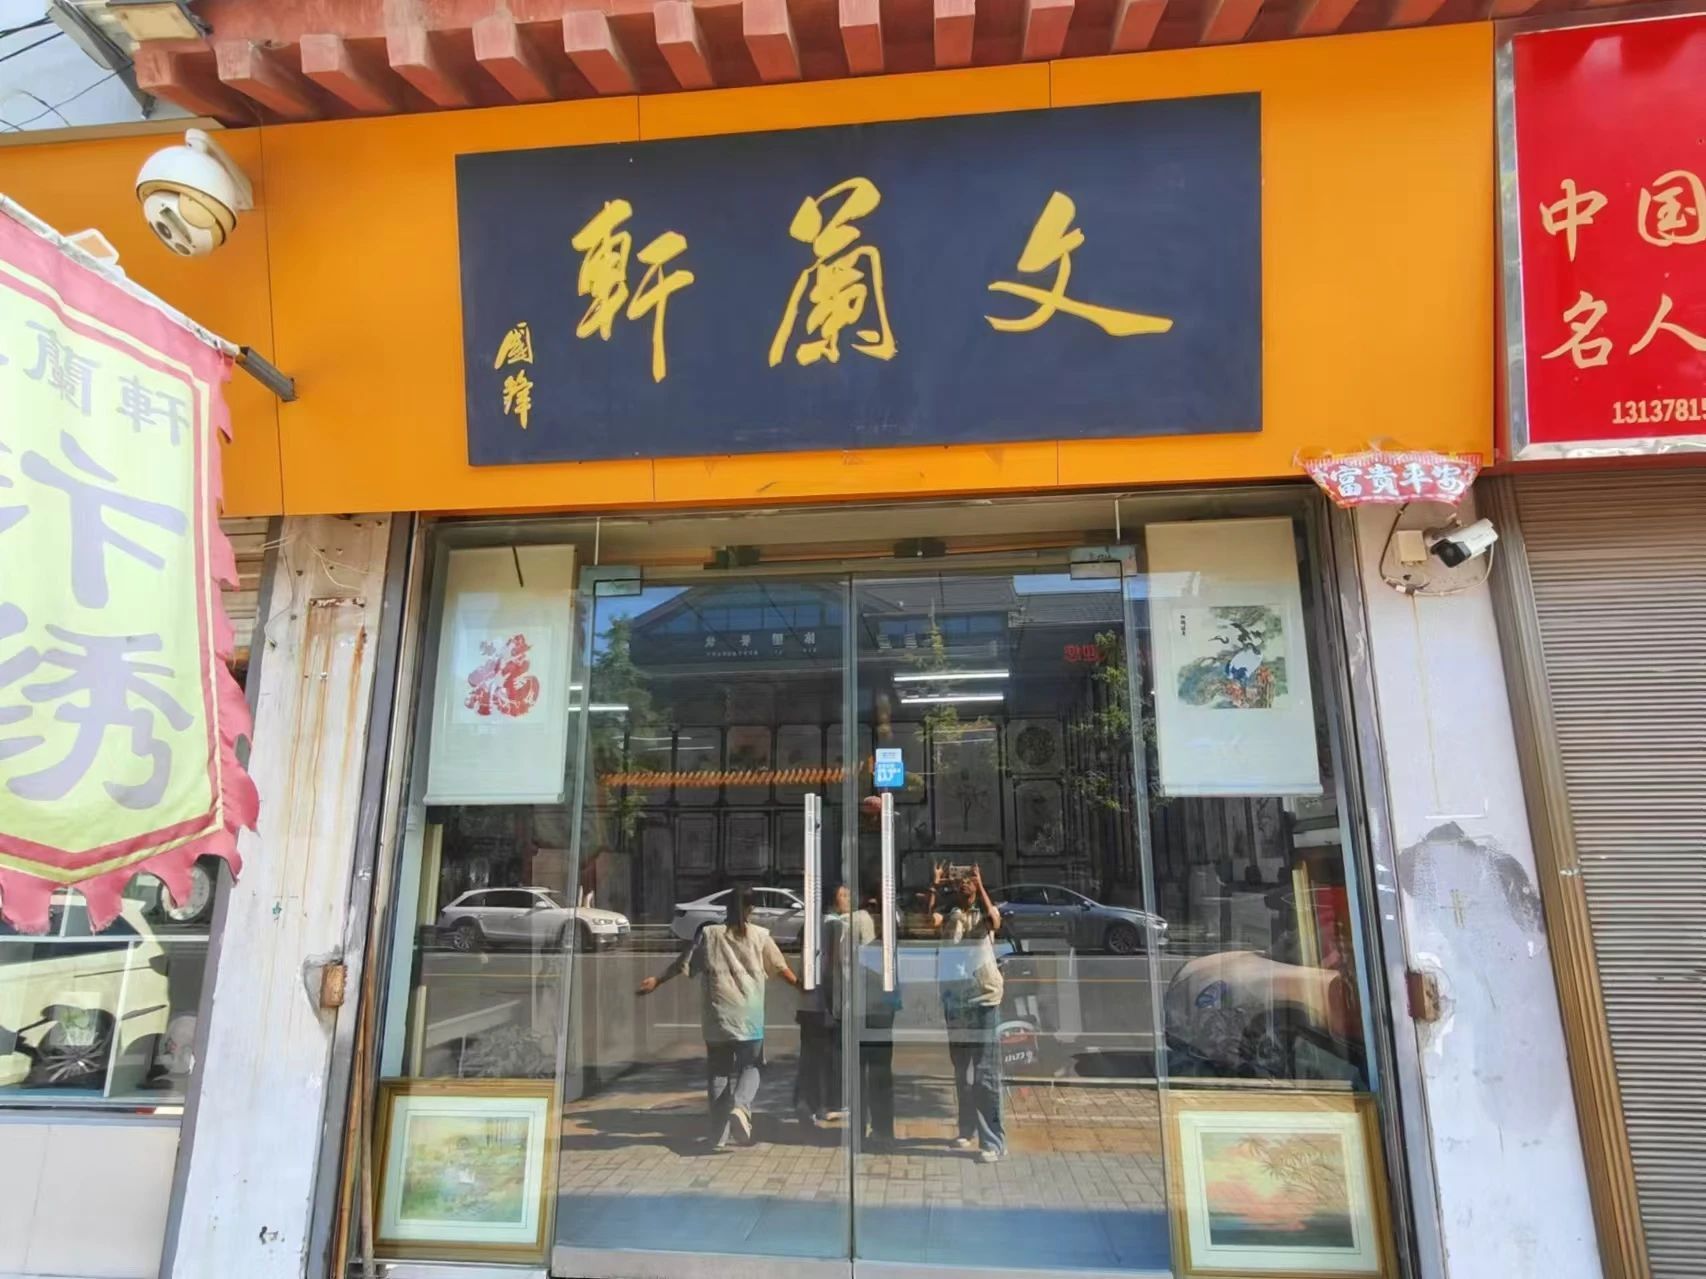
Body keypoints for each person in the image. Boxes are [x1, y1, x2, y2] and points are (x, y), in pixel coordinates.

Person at [638, 884, 800, 1152]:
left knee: (718, 1074)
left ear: (726, 907)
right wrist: (803, 987)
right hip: (749, 1017)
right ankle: (741, 1107)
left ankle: (718, 1135)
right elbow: (781, 969)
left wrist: (657, 980)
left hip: (717, 1017)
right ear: (751, 909)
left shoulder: (709, 934)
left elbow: (683, 964)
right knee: (751, 1066)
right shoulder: (760, 936)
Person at [937, 863, 1006, 1163]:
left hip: (984, 997)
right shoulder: (950, 914)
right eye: (961, 880)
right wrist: (936, 886)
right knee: (962, 1071)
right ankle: (966, 1128)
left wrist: (983, 885)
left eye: (970, 880)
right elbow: (928, 921)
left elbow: (995, 921)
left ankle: (993, 1140)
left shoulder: (982, 914)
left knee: (984, 1072)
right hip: (956, 999)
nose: (964, 884)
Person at [796, 884, 851, 1126]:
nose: (848, 898)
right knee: (829, 1057)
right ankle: (827, 1105)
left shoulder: (811, 924)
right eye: (843, 895)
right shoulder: (836, 926)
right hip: (826, 1003)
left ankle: (805, 1103)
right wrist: (834, 1004)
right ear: (832, 900)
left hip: (807, 1003)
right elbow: (832, 968)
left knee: (810, 1057)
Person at [853, 880, 901, 1149]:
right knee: (869, 1070)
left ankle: (878, 1128)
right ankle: (872, 1128)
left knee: (876, 1069)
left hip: (877, 1004)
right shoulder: (861, 921)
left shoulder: (887, 923)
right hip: (870, 1003)